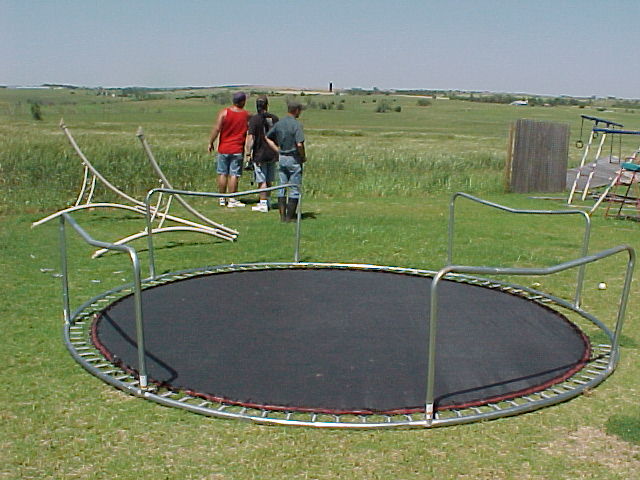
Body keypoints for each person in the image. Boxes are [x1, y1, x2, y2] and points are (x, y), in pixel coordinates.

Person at [207, 91, 250, 207]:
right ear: (242, 101)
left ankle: (221, 198)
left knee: (222, 173)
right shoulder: (246, 115)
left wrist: (211, 142)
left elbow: (217, 129)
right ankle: (232, 199)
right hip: (237, 148)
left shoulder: (224, 113)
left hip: (223, 148)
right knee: (234, 174)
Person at [265, 101, 306, 222]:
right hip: (293, 157)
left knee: (281, 186)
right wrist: (303, 156)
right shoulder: (296, 125)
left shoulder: (279, 123)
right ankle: (290, 216)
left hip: (282, 157)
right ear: (297, 110)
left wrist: (277, 150)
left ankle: (282, 216)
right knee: (294, 187)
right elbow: (299, 143)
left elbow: (267, 137)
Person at [245, 96, 279, 212]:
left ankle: (263, 203)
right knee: (269, 179)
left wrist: (248, 153)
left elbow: (251, 137)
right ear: (266, 105)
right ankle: (268, 201)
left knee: (261, 180)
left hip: (260, 153)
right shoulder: (274, 118)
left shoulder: (254, 119)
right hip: (273, 153)